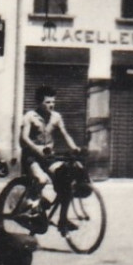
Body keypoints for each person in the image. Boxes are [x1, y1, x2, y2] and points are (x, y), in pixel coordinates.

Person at [19, 86, 81, 214]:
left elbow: (65, 135)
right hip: (31, 156)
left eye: (53, 102)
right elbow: (24, 138)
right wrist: (37, 149)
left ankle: (62, 221)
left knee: (64, 180)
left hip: (47, 156)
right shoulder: (30, 116)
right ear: (39, 102)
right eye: (47, 102)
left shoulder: (56, 117)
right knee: (42, 180)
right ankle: (29, 200)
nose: (51, 105)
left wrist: (74, 147)